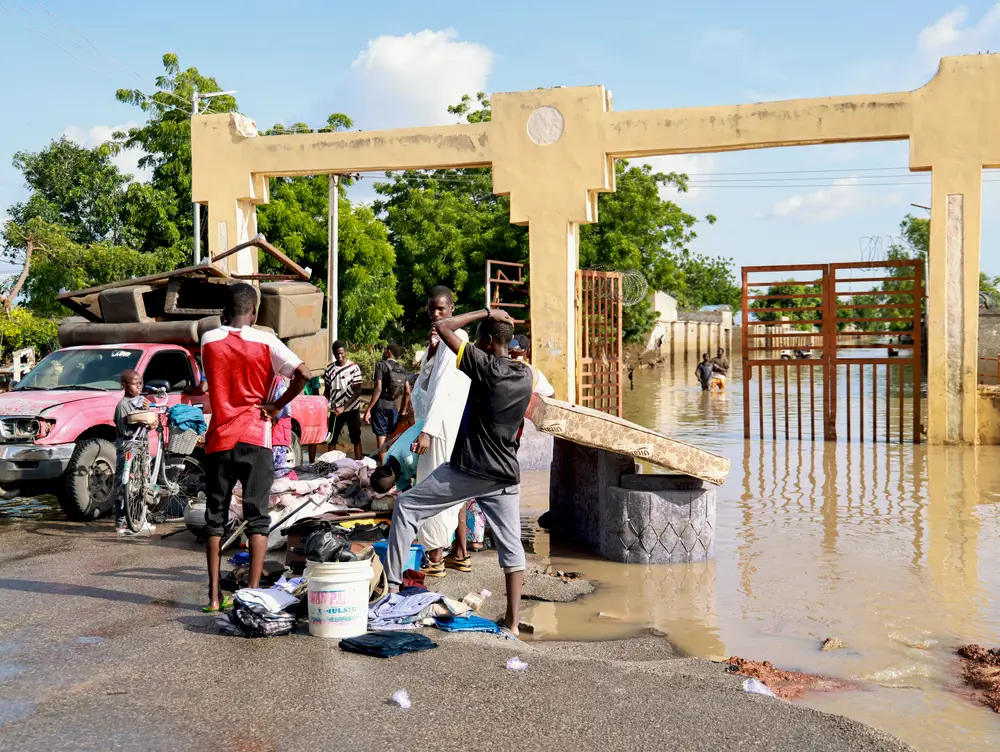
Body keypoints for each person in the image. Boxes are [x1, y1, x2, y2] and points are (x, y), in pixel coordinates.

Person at [385, 307, 532, 637]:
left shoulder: (484, 366)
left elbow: (443, 325)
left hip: (471, 468)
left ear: (490, 342)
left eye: (480, 340)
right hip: (506, 473)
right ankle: (511, 621)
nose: (476, 345)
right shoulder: (526, 375)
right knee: (511, 547)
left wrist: (488, 310)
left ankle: (392, 594)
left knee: (407, 507)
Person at [200, 283, 310, 613]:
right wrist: (277, 406)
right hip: (255, 436)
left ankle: (214, 597)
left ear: (224, 310)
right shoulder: (267, 341)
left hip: (220, 438)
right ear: (255, 311)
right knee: (257, 517)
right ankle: (251, 594)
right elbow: (303, 373)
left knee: (214, 518)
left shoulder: (208, 339)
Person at [409, 287, 471, 578]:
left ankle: (435, 557)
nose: (436, 314)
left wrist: (427, 431)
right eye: (432, 309)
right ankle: (460, 553)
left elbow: (442, 389)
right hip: (442, 425)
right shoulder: (438, 343)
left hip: (442, 426)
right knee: (452, 488)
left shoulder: (454, 341)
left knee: (431, 488)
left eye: (442, 310)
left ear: (452, 310)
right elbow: (424, 385)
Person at [112, 369, 148, 535]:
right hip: (127, 446)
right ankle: (120, 521)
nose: (139, 387)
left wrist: (148, 415)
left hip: (141, 445)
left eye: (140, 383)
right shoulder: (122, 406)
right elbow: (124, 430)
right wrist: (139, 420)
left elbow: (149, 421)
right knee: (122, 483)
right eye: (135, 384)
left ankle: (138, 518)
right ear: (124, 386)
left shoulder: (141, 401)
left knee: (140, 482)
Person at [363, 344, 410, 464]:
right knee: (390, 442)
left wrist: (368, 409)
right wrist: (402, 411)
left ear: (389, 352)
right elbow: (408, 392)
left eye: (385, 350)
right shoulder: (402, 369)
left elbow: (378, 389)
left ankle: (384, 473)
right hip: (394, 408)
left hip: (380, 408)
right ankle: (391, 472)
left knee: (381, 442)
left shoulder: (380, 365)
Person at [323, 341, 363, 461]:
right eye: (336, 354)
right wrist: (324, 405)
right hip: (335, 410)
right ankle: (332, 465)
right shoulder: (329, 369)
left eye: (341, 353)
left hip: (351, 409)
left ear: (345, 352)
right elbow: (327, 390)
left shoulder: (354, 368)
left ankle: (359, 464)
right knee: (331, 438)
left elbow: (358, 391)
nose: (339, 356)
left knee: (356, 438)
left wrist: (344, 407)